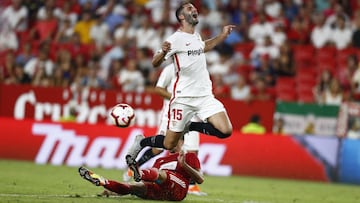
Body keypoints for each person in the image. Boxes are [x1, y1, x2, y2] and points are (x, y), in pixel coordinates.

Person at [125, 1, 233, 181]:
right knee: (168, 144)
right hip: (183, 99)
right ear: (181, 16)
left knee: (225, 130)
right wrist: (162, 53)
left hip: (205, 96)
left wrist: (222, 36)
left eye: (194, 7)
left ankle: (189, 126)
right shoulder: (174, 39)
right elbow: (154, 62)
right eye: (190, 8)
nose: (195, 9)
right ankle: (142, 142)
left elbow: (204, 47)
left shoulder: (196, 37)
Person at [124, 63, 206, 195]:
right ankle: (134, 167)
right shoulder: (170, 69)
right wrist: (178, 99)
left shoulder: (196, 70)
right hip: (172, 114)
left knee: (192, 150)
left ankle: (191, 186)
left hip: (191, 115)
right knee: (158, 149)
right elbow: (159, 89)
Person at [78, 139, 203, 201]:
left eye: (174, 140)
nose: (170, 143)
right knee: (133, 187)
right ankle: (103, 182)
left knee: (161, 174)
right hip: (161, 193)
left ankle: (139, 173)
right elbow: (154, 179)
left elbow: (200, 179)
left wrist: (184, 165)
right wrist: (115, 191)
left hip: (179, 189)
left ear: (181, 141)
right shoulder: (160, 161)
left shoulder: (189, 156)